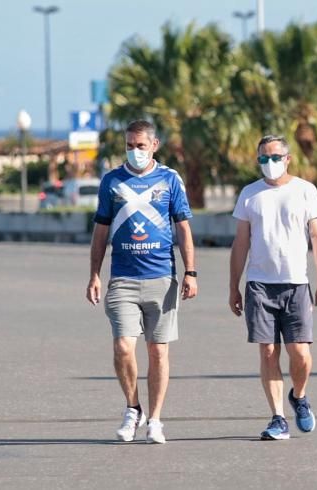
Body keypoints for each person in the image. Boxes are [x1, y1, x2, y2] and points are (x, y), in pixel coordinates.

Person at [86, 119, 197, 444]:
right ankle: (133, 407)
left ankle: (156, 419)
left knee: (158, 351)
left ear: (154, 146)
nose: (135, 151)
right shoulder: (112, 181)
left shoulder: (169, 179)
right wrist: (94, 273)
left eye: (141, 146)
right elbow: (101, 231)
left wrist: (191, 272)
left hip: (161, 277)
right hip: (122, 278)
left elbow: (184, 228)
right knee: (123, 347)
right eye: (130, 146)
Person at [229, 135, 317, 441]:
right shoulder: (250, 194)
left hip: (296, 284)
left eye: (275, 157)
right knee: (269, 351)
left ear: (288, 159)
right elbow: (241, 243)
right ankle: (277, 418)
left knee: (299, 353)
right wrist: (233, 287)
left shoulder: (305, 191)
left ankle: (298, 396)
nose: (269, 164)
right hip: (260, 285)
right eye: (263, 158)